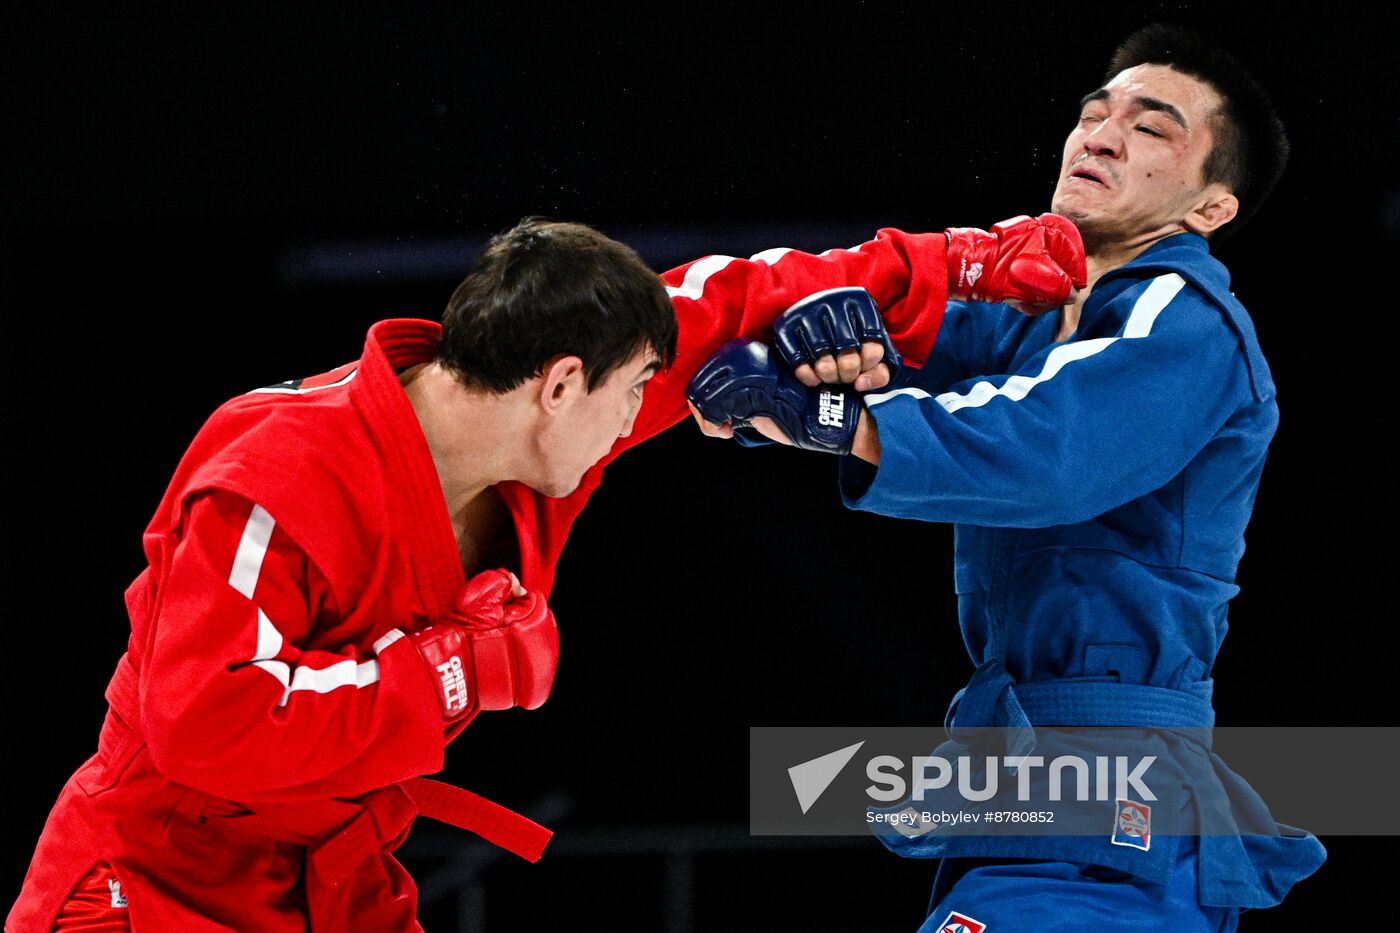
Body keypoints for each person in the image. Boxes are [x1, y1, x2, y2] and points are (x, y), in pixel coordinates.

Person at [9, 214, 1082, 931]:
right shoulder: (269, 472)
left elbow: (727, 296)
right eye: (633, 394)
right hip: (150, 884)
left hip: (330, 885)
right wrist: (450, 669)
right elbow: (207, 723)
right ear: (560, 383)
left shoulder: (551, 430)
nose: (642, 417)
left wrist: (956, 264)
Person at [687, 23, 1325, 931]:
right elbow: (881, 352)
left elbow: (1040, 447)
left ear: (1210, 208)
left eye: (1152, 128)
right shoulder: (1026, 318)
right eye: (1094, 115)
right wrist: (772, 367)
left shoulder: (1185, 322)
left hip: (1118, 789)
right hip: (1034, 791)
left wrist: (826, 419)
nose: (1100, 136)